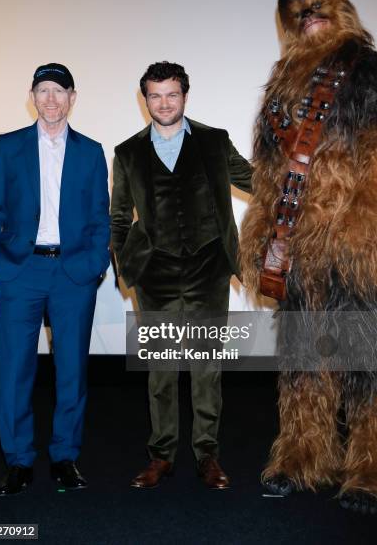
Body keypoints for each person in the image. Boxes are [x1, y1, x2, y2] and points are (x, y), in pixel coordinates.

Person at [240, 0, 377, 514]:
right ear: (286, 24)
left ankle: (368, 465)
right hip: (299, 251)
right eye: (299, 12)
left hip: (353, 246)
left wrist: (360, 233)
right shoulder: (278, 88)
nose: (310, 17)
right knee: (301, 363)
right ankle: (303, 458)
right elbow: (270, 172)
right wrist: (262, 237)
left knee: (365, 363)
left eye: (318, 6)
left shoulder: (367, 72)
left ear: (339, 6)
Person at [112, 61, 252, 489]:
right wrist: (127, 265)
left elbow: (255, 181)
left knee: (207, 367)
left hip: (209, 269)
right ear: (146, 99)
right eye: (155, 95)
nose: (164, 102)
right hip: (155, 273)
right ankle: (161, 456)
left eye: (172, 94)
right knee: (161, 369)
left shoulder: (213, 141)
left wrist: (307, 179)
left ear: (185, 96)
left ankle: (208, 456)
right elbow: (118, 217)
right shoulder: (127, 152)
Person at [0, 63, 110, 496]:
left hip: (73, 273)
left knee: (71, 369)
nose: (51, 99)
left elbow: (98, 218)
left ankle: (64, 457)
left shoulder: (91, 152)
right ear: (32, 96)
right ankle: (18, 460)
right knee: (14, 367)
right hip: (22, 271)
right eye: (43, 91)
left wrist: (93, 265)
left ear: (73, 98)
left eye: (60, 91)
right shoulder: (9, 147)